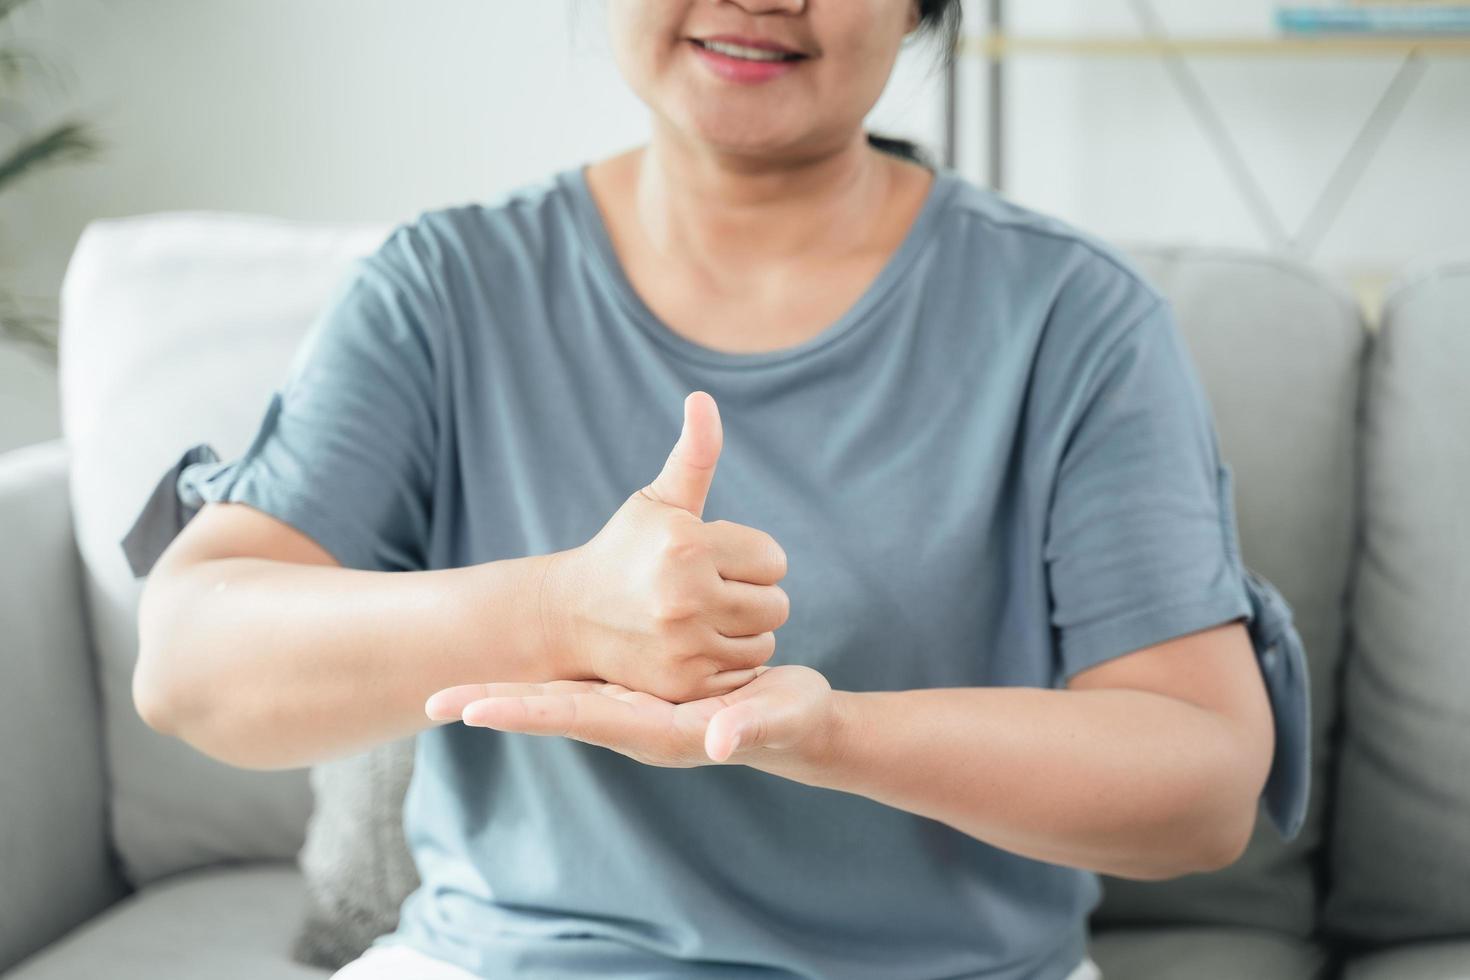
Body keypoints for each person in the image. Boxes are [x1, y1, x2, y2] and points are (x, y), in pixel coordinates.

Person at [122, 1, 1311, 978]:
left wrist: (835, 733)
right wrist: (558, 613)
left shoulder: (1074, 318)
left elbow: (1202, 781)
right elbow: (188, 659)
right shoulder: (441, 287)